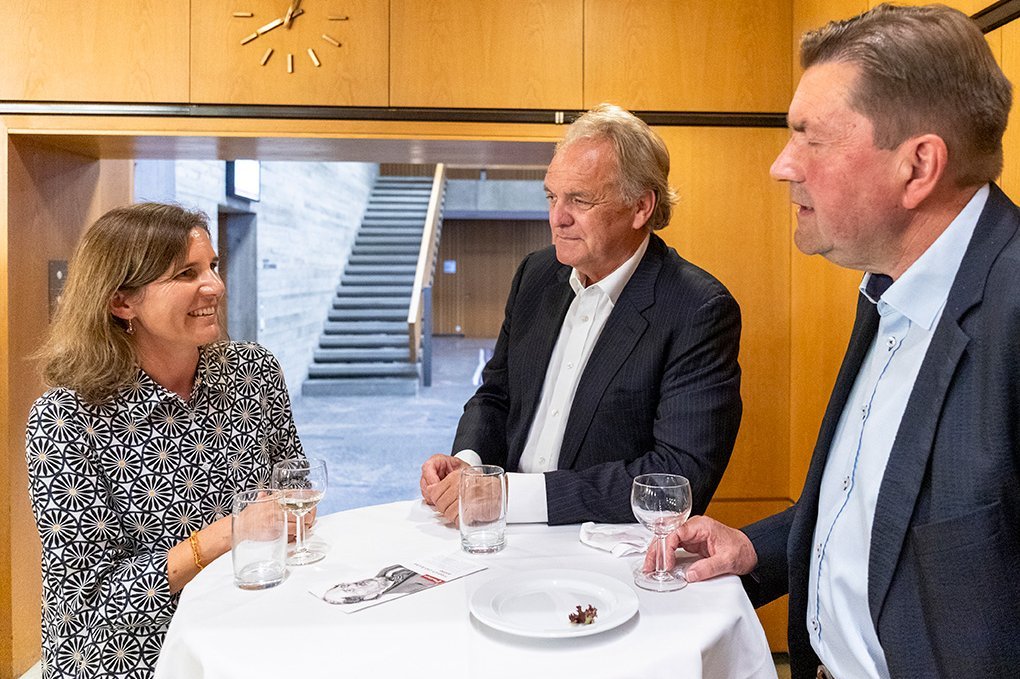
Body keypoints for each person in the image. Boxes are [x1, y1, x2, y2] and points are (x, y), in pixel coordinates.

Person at [645, 4, 1019, 677]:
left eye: (809, 137)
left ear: (918, 165)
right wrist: (754, 548)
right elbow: (879, 514)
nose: (781, 166)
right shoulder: (886, 291)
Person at [421, 103, 742, 526]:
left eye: (580, 199)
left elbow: (679, 476)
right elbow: (497, 393)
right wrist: (470, 464)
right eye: (552, 197)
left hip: (605, 555)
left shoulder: (697, 308)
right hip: (500, 534)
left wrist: (512, 496)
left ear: (641, 207)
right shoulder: (535, 274)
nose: (558, 218)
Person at [25, 203, 306, 677]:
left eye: (213, 266)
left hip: (252, 631)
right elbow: (86, 607)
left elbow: (293, 477)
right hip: (139, 660)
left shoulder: (253, 371)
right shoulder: (66, 419)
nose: (215, 285)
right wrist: (223, 537)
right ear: (121, 302)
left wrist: (293, 507)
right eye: (186, 273)